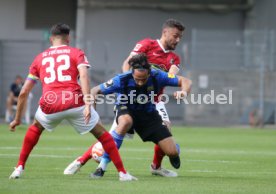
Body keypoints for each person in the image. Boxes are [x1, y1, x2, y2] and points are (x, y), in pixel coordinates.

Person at [8, 23, 137, 181]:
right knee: (104, 136)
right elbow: (83, 77)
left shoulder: (39, 59)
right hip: (74, 102)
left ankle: (19, 168)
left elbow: (23, 93)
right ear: (68, 38)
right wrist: (88, 105)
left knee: (35, 128)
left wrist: (17, 119)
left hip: (50, 105)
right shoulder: (76, 53)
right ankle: (123, 174)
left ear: (51, 39)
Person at [64, 19, 185, 177]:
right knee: (113, 135)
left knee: (166, 128)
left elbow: (169, 77)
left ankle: (156, 167)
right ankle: (81, 160)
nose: (178, 40)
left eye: (180, 37)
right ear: (165, 32)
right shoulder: (147, 45)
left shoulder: (174, 59)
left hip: (153, 101)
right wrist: (128, 88)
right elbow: (127, 65)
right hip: (128, 98)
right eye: (175, 36)